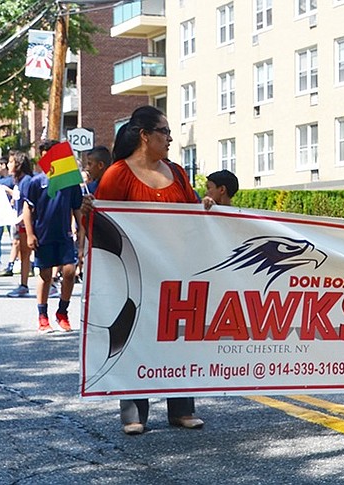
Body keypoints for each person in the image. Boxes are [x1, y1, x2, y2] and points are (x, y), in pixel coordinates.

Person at [95, 105, 205, 435]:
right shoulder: (117, 174)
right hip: (134, 274)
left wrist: (209, 210)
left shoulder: (177, 172)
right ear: (145, 135)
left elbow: (194, 216)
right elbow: (104, 226)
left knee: (178, 336)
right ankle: (133, 412)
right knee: (134, 336)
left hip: (177, 271)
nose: (170, 138)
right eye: (165, 132)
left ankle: (181, 409)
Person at [22, 162, 84, 333]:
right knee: (45, 274)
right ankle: (42, 316)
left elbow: (77, 210)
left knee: (70, 272)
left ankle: (62, 312)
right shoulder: (36, 182)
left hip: (65, 236)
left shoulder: (70, 183)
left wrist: (81, 236)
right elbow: (27, 208)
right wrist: (29, 234)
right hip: (43, 235)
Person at [6, 151, 36, 297]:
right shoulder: (18, 181)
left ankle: (50, 283)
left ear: (18, 164)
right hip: (20, 223)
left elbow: (28, 204)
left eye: (11, 162)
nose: (8, 165)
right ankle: (23, 284)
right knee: (24, 254)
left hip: (27, 223)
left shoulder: (27, 181)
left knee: (27, 253)